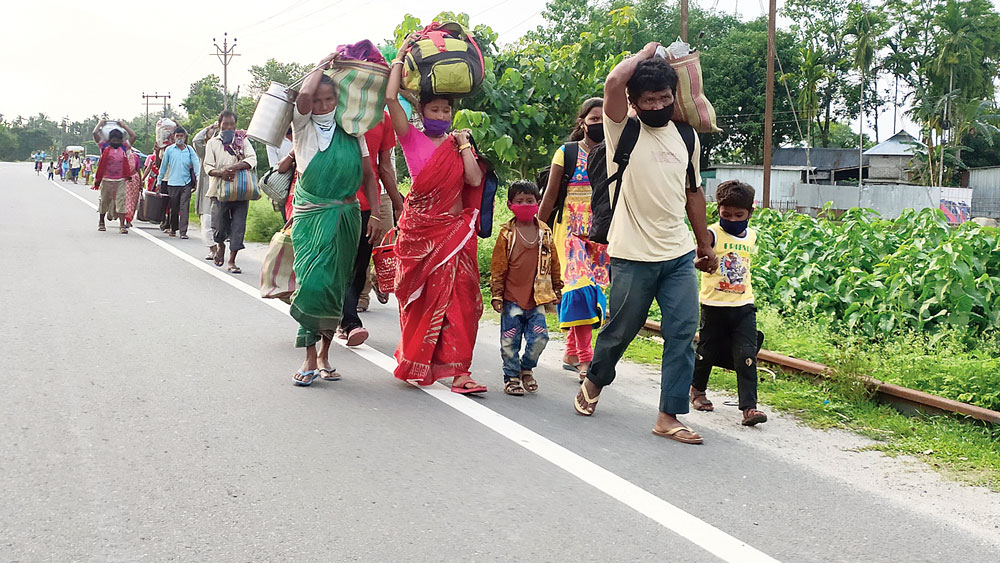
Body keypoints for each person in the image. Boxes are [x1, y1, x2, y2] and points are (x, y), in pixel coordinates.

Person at [573, 43, 718, 446]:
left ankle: (668, 416)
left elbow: (693, 191)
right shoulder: (624, 129)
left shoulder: (686, 136)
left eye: (665, 98)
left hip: (678, 252)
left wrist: (704, 242)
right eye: (649, 98)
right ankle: (596, 379)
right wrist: (647, 51)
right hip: (631, 254)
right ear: (634, 102)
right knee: (620, 330)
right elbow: (614, 80)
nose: (658, 104)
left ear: (674, 99)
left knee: (682, 333)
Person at [386, 37, 489, 394]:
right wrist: (400, 56)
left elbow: (474, 179)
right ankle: (418, 361)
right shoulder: (409, 137)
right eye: (435, 110)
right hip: (420, 232)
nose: (442, 116)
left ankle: (461, 373)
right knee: (424, 300)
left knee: (461, 299)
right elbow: (389, 97)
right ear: (422, 112)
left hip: (454, 234)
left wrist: (463, 146)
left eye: (447, 111)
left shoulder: (458, 143)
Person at [288, 53, 380, 386]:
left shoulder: (353, 130)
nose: (324, 105)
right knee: (312, 284)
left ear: (339, 100)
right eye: (319, 100)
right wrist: (320, 65)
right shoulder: (302, 126)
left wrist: (378, 213)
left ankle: (325, 355)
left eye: (330, 99)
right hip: (312, 215)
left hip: (347, 216)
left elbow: (369, 175)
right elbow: (302, 97)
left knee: (336, 287)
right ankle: (309, 356)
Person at [539, 97, 611, 382]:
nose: (599, 124)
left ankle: (570, 351)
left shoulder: (615, 153)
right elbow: (549, 195)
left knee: (593, 293)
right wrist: (538, 232)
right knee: (579, 289)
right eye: (594, 119)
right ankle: (585, 359)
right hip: (570, 233)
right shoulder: (566, 152)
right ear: (582, 122)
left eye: (605, 119)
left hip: (602, 232)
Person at [690, 180, 767, 426]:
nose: (732, 220)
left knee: (747, 355)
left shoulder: (752, 237)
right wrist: (699, 262)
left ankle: (749, 408)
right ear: (718, 210)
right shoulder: (712, 234)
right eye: (726, 214)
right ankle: (697, 390)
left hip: (744, 305)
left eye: (739, 215)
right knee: (706, 351)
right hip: (714, 305)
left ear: (750, 213)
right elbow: (697, 256)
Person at [490, 180, 563, 396]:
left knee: (540, 338)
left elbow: (555, 263)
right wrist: (497, 294)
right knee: (509, 340)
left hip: (537, 299)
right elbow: (498, 266)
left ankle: (526, 368)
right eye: (519, 201)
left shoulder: (545, 232)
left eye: (529, 201)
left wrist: (557, 288)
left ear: (538, 203)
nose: (525, 204)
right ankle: (511, 377)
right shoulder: (506, 234)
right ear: (510, 204)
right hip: (512, 299)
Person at [338, 111, 403, 341]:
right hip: (331, 203)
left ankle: (346, 318)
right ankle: (348, 320)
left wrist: (396, 203)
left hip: (367, 203)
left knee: (359, 264)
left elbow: (384, 167)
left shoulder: (383, 118)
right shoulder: (334, 110)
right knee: (344, 263)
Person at [203, 110, 258, 273]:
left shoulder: (243, 140)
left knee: (238, 226)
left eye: (231, 125)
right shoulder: (212, 143)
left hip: (241, 190)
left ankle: (232, 260)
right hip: (219, 190)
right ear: (219, 125)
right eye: (225, 124)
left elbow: (252, 159)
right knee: (218, 224)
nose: (228, 127)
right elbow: (208, 166)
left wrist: (234, 168)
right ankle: (220, 246)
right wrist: (221, 173)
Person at [157, 127, 199, 238]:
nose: (179, 138)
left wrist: (198, 178)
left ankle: (183, 232)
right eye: (177, 136)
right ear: (174, 137)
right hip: (173, 183)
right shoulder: (169, 150)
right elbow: (163, 166)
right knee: (174, 208)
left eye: (181, 136)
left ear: (185, 137)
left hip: (186, 183)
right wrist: (159, 181)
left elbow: (196, 165)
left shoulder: (189, 150)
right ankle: (173, 228)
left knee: (184, 208)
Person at [91, 129, 135, 234]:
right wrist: (101, 124)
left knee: (121, 201)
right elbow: (95, 133)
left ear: (121, 140)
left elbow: (133, 136)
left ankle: (122, 225)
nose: (116, 142)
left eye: (118, 140)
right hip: (106, 179)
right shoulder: (104, 147)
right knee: (104, 200)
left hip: (120, 179)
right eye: (113, 140)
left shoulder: (124, 147)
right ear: (110, 140)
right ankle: (101, 222)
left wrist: (123, 126)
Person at [193, 123, 218, 260]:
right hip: (207, 192)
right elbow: (196, 140)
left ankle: (220, 248)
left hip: (222, 190)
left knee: (220, 222)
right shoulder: (204, 151)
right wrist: (209, 128)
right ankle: (212, 249)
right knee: (207, 221)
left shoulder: (226, 149)